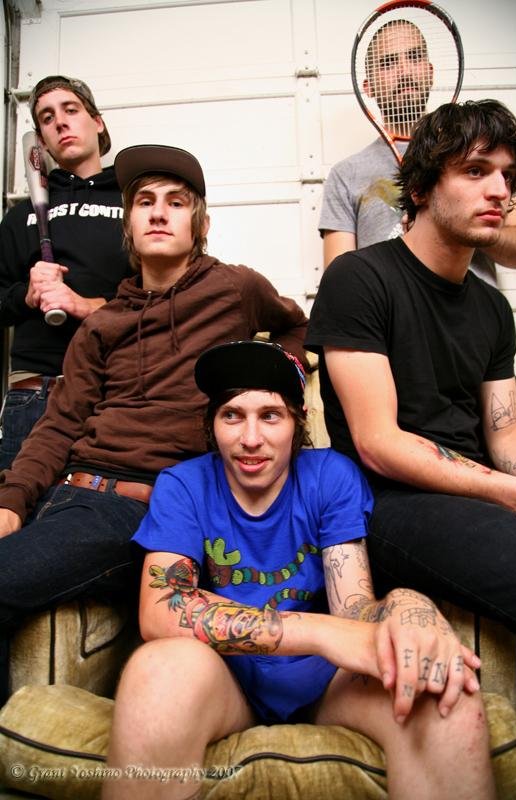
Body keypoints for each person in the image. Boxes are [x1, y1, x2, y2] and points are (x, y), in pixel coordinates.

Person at [103, 339, 495, 800]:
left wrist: (409, 607)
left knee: (440, 687)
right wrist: (321, 633)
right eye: (232, 415)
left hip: (327, 683)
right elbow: (162, 610)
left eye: (270, 415)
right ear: (212, 425)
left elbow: (353, 607)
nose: (251, 438)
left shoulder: (330, 476)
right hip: (226, 680)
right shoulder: (184, 485)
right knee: (158, 670)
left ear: (297, 422)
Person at [0, 144, 308, 704]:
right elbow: (59, 423)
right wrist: (12, 501)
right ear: (129, 225)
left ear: (201, 224)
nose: (159, 213)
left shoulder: (234, 289)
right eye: (144, 202)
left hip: (151, 507)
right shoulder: (102, 324)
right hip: (75, 496)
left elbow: (298, 325)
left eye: (175, 202)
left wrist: (273, 382)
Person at [306, 99, 516, 650]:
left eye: (507, 176)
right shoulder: (358, 279)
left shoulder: (492, 308)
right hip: (388, 502)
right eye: (475, 171)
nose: (500, 192)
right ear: (422, 188)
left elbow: (507, 440)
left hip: (475, 494)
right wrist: (513, 493)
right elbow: (379, 445)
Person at [319, 20, 516, 281]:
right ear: (369, 87)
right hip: (389, 307)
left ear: (430, 72)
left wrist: (464, 223)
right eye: (388, 62)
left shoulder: (489, 153)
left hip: (472, 306)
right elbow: (339, 281)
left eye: (415, 57)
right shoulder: (345, 175)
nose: (404, 71)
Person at [0, 75, 133, 469]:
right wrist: (26, 295)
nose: (60, 122)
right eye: (47, 117)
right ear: (42, 140)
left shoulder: (136, 203)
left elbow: (162, 298)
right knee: (19, 503)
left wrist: (89, 306)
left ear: (98, 122)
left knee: (105, 504)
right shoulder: (21, 216)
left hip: (116, 387)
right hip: (35, 391)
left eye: (70, 110)